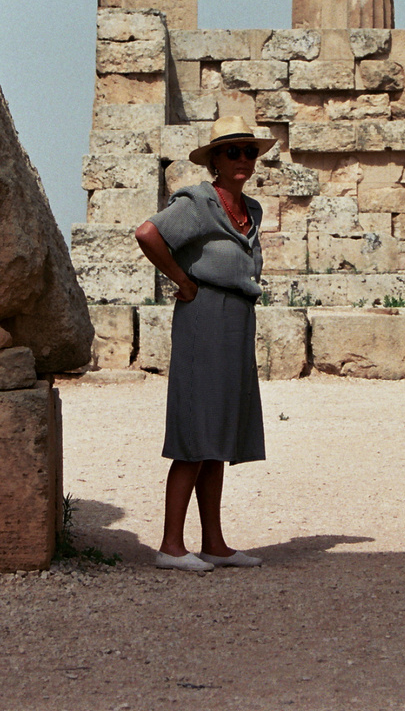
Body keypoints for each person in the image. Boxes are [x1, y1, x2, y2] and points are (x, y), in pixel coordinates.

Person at [133, 115, 274, 571]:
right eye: (232, 151)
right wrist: (181, 281)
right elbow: (147, 234)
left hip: (238, 320)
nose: (242, 159)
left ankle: (214, 542)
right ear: (214, 158)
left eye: (249, 151)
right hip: (204, 316)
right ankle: (171, 545)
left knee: (220, 435)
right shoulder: (197, 202)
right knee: (195, 431)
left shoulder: (251, 209)